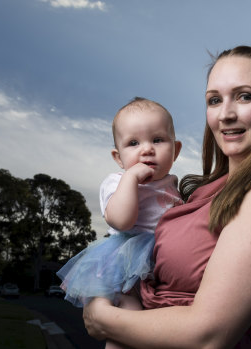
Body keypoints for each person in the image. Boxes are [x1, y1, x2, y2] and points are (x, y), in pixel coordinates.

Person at [83, 45, 251, 348]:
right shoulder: (201, 192)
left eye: (245, 96)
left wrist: (103, 320)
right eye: (215, 100)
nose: (226, 114)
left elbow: (209, 336)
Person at [56, 97, 183, 348]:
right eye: (133, 143)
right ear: (118, 157)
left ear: (175, 150)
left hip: (162, 261)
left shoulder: (174, 184)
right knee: (128, 322)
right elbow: (122, 221)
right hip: (127, 261)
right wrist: (131, 179)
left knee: (157, 326)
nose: (146, 149)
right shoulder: (117, 181)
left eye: (157, 140)